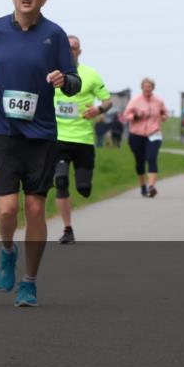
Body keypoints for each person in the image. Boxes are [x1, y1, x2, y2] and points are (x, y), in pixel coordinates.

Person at [0, 0, 79, 307]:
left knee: (35, 208)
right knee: (7, 210)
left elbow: (74, 81)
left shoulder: (55, 35)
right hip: (2, 131)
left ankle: (30, 282)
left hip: (41, 134)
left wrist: (64, 80)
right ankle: (7, 251)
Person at [51, 35, 112, 244]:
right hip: (58, 137)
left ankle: (84, 184)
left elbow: (108, 100)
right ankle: (67, 229)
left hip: (83, 139)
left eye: (74, 48)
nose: (70, 51)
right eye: (67, 48)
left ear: (79, 52)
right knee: (60, 180)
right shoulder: (52, 74)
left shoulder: (91, 75)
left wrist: (98, 109)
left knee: (83, 188)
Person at [122, 79, 169, 197]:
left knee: (152, 157)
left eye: (149, 86)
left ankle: (151, 186)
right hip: (136, 134)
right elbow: (126, 115)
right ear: (142, 87)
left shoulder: (158, 101)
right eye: (145, 86)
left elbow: (165, 113)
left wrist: (163, 116)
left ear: (153, 88)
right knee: (140, 161)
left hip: (154, 133)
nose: (147, 89)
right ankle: (143, 186)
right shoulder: (135, 101)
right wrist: (135, 115)